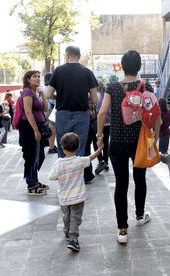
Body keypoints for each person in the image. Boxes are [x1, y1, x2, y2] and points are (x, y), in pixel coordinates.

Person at [96, 50, 162, 244]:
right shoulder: (145, 86)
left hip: (116, 141)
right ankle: (140, 216)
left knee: (121, 184)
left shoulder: (113, 87)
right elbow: (155, 113)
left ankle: (122, 230)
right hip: (139, 142)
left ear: (122, 66)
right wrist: (155, 136)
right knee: (140, 178)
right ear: (139, 66)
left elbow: (101, 113)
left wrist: (100, 136)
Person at [45, 46, 98, 183]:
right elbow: (94, 99)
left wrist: (60, 97)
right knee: (78, 149)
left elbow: (48, 94)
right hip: (81, 115)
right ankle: (76, 182)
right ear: (79, 56)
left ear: (67, 55)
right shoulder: (87, 72)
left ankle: (64, 181)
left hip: (62, 114)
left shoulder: (58, 71)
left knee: (63, 148)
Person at [49, 132, 103, 252]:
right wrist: (100, 148)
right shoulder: (79, 161)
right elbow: (92, 157)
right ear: (78, 147)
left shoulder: (58, 164)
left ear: (62, 147)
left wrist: (62, 175)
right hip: (78, 197)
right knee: (76, 217)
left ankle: (67, 231)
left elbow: (52, 177)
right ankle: (73, 239)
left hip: (64, 198)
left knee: (67, 216)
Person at [18, 70, 49, 196]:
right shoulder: (27, 92)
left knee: (39, 156)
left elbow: (45, 109)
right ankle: (31, 185)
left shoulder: (35, 93)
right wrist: (35, 130)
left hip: (39, 127)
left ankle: (34, 180)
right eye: (34, 77)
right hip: (29, 128)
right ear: (28, 79)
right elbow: (28, 112)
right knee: (32, 156)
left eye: (38, 76)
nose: (37, 78)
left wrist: (43, 94)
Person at [94, 81, 111, 174]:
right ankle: (106, 161)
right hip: (109, 123)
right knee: (106, 142)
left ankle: (101, 160)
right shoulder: (107, 96)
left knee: (97, 142)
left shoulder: (98, 96)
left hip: (100, 123)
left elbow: (98, 111)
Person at [43, 72, 57, 154]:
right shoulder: (49, 88)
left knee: (49, 127)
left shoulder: (44, 87)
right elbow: (51, 98)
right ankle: (51, 146)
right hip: (49, 109)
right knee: (51, 127)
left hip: (46, 109)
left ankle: (51, 145)